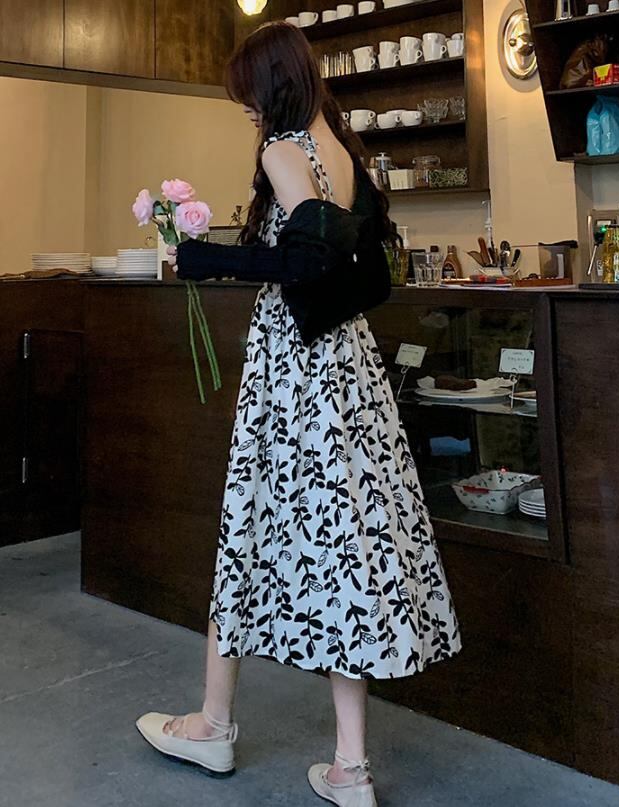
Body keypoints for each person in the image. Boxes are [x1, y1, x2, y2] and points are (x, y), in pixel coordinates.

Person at [136, 21, 460, 807]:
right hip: (348, 372)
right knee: (349, 547)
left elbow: (304, 263)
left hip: (295, 375)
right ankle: (351, 767)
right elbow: (349, 258)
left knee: (246, 527)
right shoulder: (340, 150)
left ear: (274, 85)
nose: (245, 109)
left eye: (248, 93)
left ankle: (214, 724)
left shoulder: (285, 149)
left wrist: (203, 257)